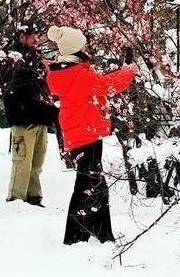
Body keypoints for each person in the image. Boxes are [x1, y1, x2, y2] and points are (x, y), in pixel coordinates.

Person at [46, 25, 138, 245]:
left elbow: (100, 84)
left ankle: (99, 233)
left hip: (78, 133)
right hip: (86, 133)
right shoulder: (79, 74)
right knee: (88, 183)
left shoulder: (64, 72)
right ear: (76, 48)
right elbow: (108, 85)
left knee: (94, 182)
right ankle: (77, 236)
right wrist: (129, 71)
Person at [0, 22, 59, 207]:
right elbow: (20, 89)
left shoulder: (35, 59)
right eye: (33, 36)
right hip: (24, 117)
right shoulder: (12, 61)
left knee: (37, 161)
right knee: (22, 160)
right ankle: (16, 198)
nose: (36, 40)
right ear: (22, 37)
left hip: (40, 117)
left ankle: (34, 196)